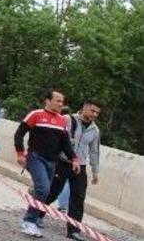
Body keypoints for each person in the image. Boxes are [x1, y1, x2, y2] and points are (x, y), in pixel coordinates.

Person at [15, 89, 79, 238]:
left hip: (52, 162)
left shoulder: (62, 121)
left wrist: (74, 159)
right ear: (48, 101)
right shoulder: (36, 115)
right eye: (58, 101)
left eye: (62, 102)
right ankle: (29, 221)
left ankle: (35, 194)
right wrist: (20, 153)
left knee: (45, 191)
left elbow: (66, 144)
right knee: (44, 189)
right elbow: (19, 134)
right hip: (35, 157)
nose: (60, 104)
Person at [38, 100, 102, 241]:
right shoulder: (67, 119)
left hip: (80, 166)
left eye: (97, 113)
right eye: (92, 111)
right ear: (84, 107)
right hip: (63, 162)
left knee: (78, 198)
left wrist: (95, 171)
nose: (94, 114)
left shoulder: (95, 130)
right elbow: (54, 138)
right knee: (53, 191)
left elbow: (94, 151)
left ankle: (73, 230)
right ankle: (37, 214)